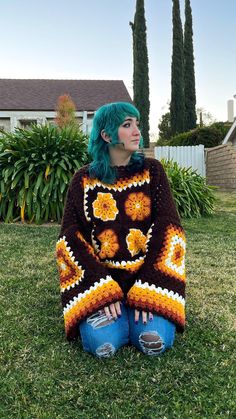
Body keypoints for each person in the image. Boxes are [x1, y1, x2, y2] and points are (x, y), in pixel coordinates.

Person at [56, 102, 186, 358]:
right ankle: (117, 317)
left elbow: (170, 232)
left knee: (154, 343)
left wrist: (150, 288)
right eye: (127, 125)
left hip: (145, 277)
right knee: (101, 345)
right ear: (106, 135)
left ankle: (134, 316)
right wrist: (102, 291)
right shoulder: (83, 180)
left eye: (136, 123)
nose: (137, 130)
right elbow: (70, 240)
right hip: (103, 279)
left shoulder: (153, 172)